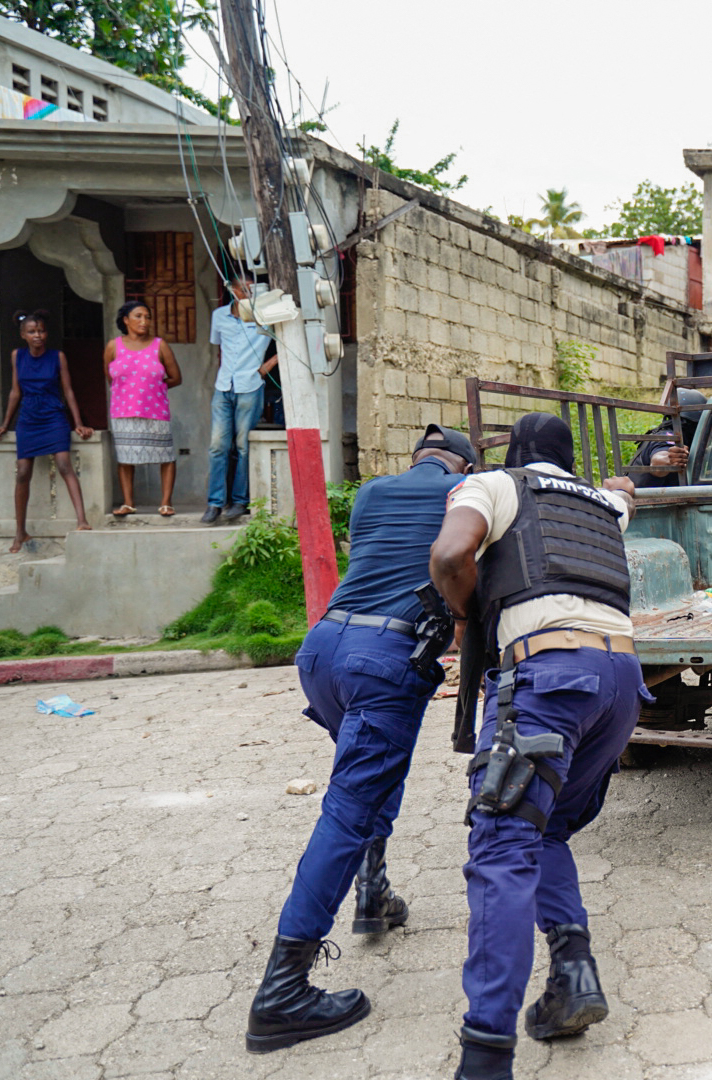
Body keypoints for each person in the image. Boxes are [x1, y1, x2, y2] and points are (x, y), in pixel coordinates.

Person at [245, 424, 478, 1055]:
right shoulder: (466, 491)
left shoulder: (374, 491)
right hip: (386, 656)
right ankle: (282, 991)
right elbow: (462, 566)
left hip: (322, 649)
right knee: (348, 808)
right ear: (464, 464)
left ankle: (374, 893)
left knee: (371, 774)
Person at [429, 412, 644, 1080]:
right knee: (544, 830)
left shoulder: (494, 485)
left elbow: (447, 557)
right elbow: (624, 490)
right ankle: (572, 976)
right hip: (622, 685)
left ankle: (485, 1057)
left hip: (547, 678)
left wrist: (470, 615)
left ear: (513, 454)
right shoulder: (602, 504)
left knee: (502, 850)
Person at [0, 310, 94, 550]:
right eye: (32, 332)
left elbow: (67, 391)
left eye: (41, 331)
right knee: (23, 472)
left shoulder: (58, 357)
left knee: (64, 464)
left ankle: (82, 521)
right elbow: (16, 391)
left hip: (53, 416)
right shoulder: (17, 356)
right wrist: (5, 424)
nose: (38, 335)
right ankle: (20, 533)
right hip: (28, 418)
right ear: (23, 335)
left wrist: (77, 422)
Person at [203, 279, 276, 524]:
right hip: (223, 386)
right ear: (233, 290)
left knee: (243, 445)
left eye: (253, 288)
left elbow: (287, 342)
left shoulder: (264, 315)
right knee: (217, 446)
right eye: (246, 287)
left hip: (250, 386)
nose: (251, 292)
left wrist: (263, 370)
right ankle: (215, 503)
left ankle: (239, 501)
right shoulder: (219, 315)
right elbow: (219, 347)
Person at [104, 301, 181, 517]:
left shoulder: (160, 345)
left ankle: (166, 503)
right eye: (138, 316)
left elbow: (176, 377)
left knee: (165, 455)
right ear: (125, 320)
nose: (144, 321)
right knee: (126, 457)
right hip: (122, 410)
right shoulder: (113, 346)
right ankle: (128, 503)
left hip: (156, 410)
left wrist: (153, 388)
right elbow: (111, 377)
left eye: (147, 317)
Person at [625, 387, 705, 488]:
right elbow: (658, 461)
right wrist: (670, 459)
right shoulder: (668, 437)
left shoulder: (669, 435)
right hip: (643, 501)